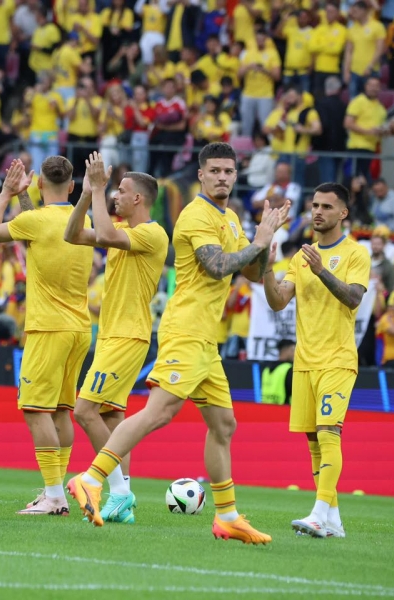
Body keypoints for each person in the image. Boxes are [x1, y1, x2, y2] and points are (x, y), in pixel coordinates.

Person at [67, 142, 289, 545]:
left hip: (207, 339)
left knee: (224, 425)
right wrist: (257, 243)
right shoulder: (194, 215)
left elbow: (252, 272)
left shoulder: (232, 219)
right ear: (201, 176)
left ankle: (227, 516)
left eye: (229, 171)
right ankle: (91, 479)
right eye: (215, 170)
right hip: (185, 331)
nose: (223, 177)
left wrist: (266, 247)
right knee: (159, 412)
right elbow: (217, 265)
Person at [0, 156, 94, 516]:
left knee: (35, 410)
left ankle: (54, 495)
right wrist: (23, 198)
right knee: (62, 411)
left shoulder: (34, 220)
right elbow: (38, 228)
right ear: (73, 186)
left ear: (39, 184)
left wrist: (7, 192)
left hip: (48, 329)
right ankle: (56, 492)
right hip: (79, 328)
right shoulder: (84, 218)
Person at [63, 153, 169, 524]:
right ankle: (122, 501)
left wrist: (98, 188)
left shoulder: (152, 234)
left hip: (128, 336)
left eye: (120, 192)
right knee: (110, 418)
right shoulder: (126, 234)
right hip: (111, 336)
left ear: (138, 198)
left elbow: (104, 233)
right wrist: (87, 193)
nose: (114, 197)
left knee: (84, 410)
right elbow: (72, 234)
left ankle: (119, 492)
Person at [262, 182, 371, 539]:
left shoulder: (355, 253)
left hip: (337, 359)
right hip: (305, 361)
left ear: (343, 213)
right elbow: (278, 301)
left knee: (328, 433)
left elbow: (353, 298)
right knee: (313, 439)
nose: (318, 212)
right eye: (314, 205)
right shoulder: (300, 257)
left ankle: (318, 512)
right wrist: (266, 263)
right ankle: (333, 521)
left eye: (326, 206)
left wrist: (322, 270)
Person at [261, 339, 295, 405]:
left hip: (266, 409)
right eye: (293, 350)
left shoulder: (267, 369)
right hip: (284, 410)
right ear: (286, 350)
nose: (294, 353)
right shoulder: (289, 369)